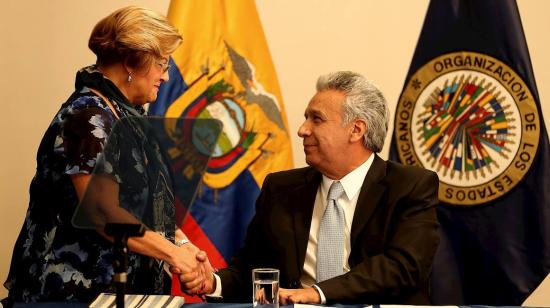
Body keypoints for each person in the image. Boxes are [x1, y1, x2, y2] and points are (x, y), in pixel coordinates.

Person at [3, 6, 208, 304]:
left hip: (121, 295)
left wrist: (186, 246)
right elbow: (103, 214)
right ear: (131, 62)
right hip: (72, 296)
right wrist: (173, 254)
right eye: (162, 64)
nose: (166, 76)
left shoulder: (126, 118)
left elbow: (147, 212)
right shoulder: (88, 116)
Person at [180, 71, 440, 304]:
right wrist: (213, 282)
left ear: (356, 130)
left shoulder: (410, 186)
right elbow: (253, 269)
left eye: (317, 119)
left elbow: (404, 267)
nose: (302, 130)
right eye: (306, 118)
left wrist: (317, 293)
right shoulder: (280, 188)